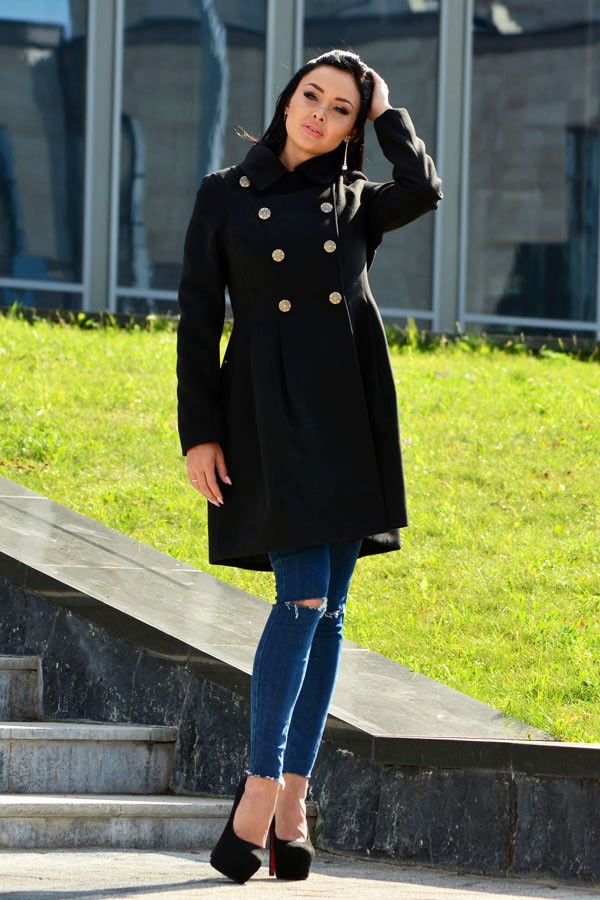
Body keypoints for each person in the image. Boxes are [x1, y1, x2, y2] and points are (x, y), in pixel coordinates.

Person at [176, 48, 442, 884]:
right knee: (301, 600)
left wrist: (388, 112)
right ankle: (259, 790)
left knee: (330, 614)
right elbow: (196, 317)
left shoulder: (356, 198)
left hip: (347, 411)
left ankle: (294, 798)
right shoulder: (225, 193)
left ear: (353, 126)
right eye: (311, 96)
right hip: (265, 413)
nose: (319, 115)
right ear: (288, 97)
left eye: (340, 109)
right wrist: (199, 433)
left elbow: (424, 187)